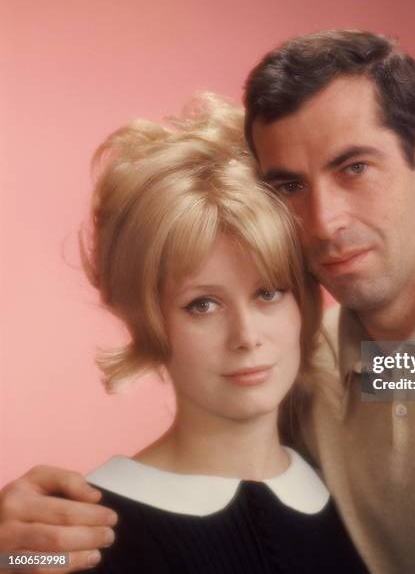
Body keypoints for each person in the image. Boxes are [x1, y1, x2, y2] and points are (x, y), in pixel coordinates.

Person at [1, 30, 415, 574]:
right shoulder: (319, 363)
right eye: (289, 186)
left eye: (354, 168)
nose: (323, 221)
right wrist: (16, 546)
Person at [3, 92, 368, 573]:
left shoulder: (355, 463)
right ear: (147, 317)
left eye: (269, 293)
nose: (246, 336)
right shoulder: (75, 534)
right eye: (203, 304)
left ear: (305, 299)